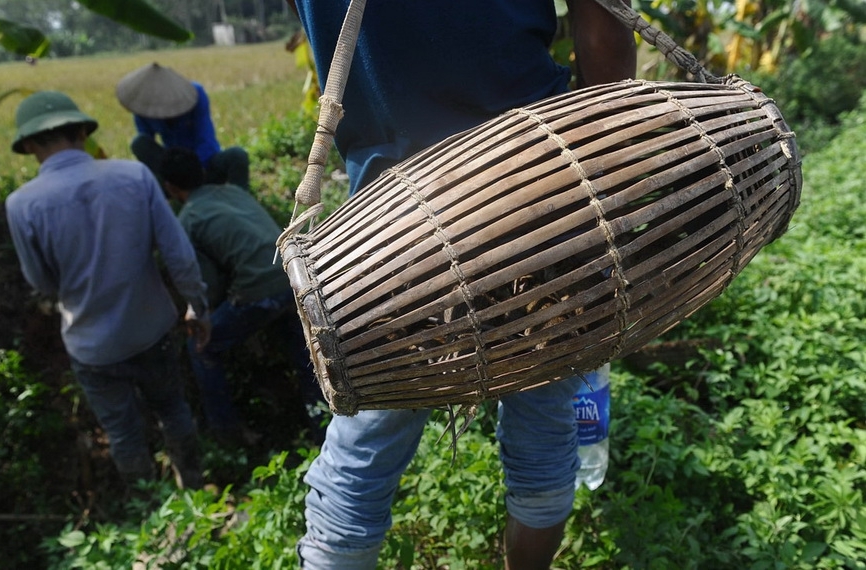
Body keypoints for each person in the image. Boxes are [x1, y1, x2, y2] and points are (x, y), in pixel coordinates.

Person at [287, 1, 637, 568]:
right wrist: (602, 166)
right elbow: (604, 35)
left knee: (365, 446)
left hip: (388, 220)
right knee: (544, 424)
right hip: (537, 193)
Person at [4, 91, 212, 490]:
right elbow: (179, 257)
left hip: (92, 347)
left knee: (124, 433)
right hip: (151, 330)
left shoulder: (21, 205)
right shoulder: (133, 176)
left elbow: (41, 282)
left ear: (29, 146)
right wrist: (198, 309)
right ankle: (195, 487)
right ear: (82, 132)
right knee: (173, 409)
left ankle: (148, 509)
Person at [158, 147, 328, 446]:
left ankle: (229, 435)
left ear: (170, 188)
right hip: (295, 279)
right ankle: (323, 426)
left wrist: (206, 311)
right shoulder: (233, 191)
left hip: (259, 294)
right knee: (306, 356)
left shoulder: (188, 218)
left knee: (202, 348)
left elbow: (207, 284)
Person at [116, 62, 251, 189]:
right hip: (174, 166)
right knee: (139, 142)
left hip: (206, 163)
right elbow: (147, 145)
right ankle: (171, 190)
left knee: (238, 155)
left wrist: (196, 172)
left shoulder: (196, 94)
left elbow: (205, 139)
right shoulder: (143, 107)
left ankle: (239, 198)